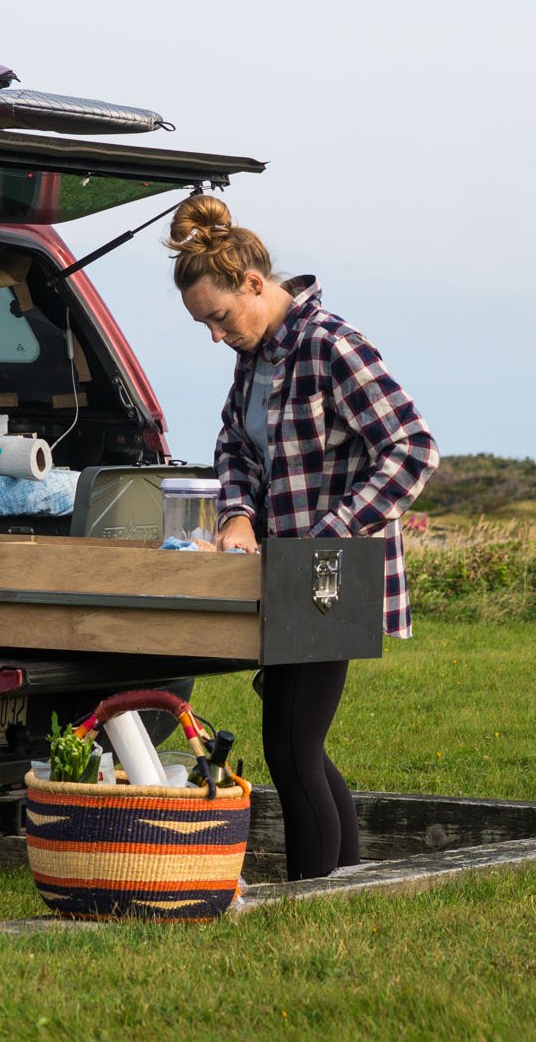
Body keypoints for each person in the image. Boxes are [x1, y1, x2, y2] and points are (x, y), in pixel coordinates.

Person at [168, 193, 438, 880]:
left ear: (255, 284)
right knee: (299, 745)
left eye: (219, 317)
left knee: (290, 746)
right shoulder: (255, 356)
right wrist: (236, 514)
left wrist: (329, 535)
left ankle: (308, 898)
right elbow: (236, 442)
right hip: (286, 573)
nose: (215, 335)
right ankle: (342, 887)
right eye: (203, 324)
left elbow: (412, 449)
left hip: (329, 575)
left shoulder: (330, 345)